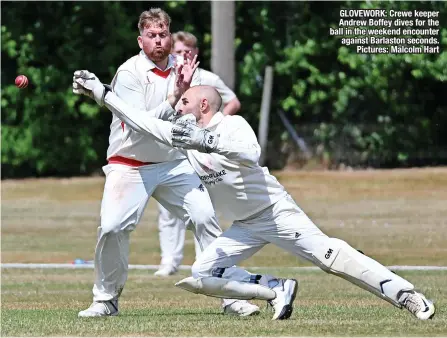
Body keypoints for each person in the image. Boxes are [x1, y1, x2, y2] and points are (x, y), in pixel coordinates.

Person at [72, 78, 436, 321]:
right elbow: (141, 122)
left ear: (203, 104)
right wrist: (102, 93)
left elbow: (251, 152)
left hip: (276, 212)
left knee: (331, 256)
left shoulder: (231, 125)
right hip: (243, 226)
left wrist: (207, 141)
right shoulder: (185, 137)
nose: (176, 108)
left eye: (183, 102)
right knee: (202, 274)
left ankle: (406, 296)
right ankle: (275, 288)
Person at [75, 8, 258, 318]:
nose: (158, 41)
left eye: (163, 34)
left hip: (174, 163)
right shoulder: (129, 73)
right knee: (112, 227)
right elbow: (139, 125)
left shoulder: (186, 69)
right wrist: (175, 97)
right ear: (140, 40)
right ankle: (106, 299)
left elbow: (204, 111)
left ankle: (231, 295)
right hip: (129, 163)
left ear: (170, 37)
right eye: (152, 35)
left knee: (204, 217)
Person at [154, 31, 241, 277]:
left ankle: (205, 261)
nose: (183, 56)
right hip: (172, 149)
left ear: (196, 52)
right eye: (178, 52)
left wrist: (215, 126)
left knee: (202, 207)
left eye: (187, 51)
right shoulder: (165, 77)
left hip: (199, 152)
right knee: (168, 209)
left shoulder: (207, 77)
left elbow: (232, 102)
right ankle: (169, 260)